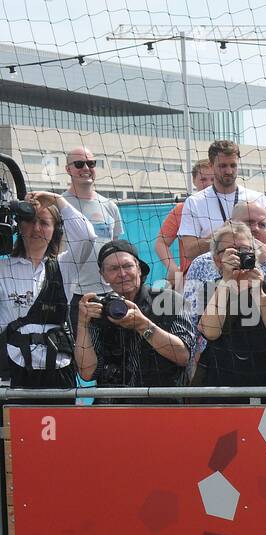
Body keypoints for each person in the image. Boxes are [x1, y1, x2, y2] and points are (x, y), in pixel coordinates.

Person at [0, 192, 94, 387]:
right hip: (12, 368)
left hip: (58, 367)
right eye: (30, 221)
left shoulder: (65, 265)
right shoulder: (3, 268)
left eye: (44, 222)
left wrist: (57, 200)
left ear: (55, 230)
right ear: (20, 225)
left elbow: (86, 236)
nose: (36, 228)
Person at [73, 240, 194, 389]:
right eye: (113, 269)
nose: (122, 274)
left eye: (127, 266)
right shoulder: (99, 310)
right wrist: (82, 324)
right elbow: (87, 373)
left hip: (162, 403)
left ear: (139, 269)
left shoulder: (167, 300)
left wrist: (142, 325)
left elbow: (183, 356)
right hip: (113, 405)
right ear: (103, 275)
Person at [193, 221, 266, 387]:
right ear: (217, 260)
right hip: (223, 387)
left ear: (254, 253)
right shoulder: (210, 289)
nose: (238, 256)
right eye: (231, 251)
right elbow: (210, 332)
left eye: (244, 250)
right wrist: (226, 281)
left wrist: (259, 294)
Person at [178, 140, 266, 265]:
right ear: (211, 166)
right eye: (223, 166)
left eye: (233, 165)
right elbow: (189, 251)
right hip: (213, 273)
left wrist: (251, 229)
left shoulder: (258, 199)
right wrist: (223, 232)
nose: (229, 171)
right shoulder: (195, 202)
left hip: (253, 270)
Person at [61, 146, 124, 299]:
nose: (86, 168)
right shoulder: (59, 206)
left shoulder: (109, 206)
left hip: (108, 291)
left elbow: (115, 247)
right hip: (71, 292)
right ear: (68, 169)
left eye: (91, 163)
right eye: (79, 164)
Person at [154, 160, 215, 288]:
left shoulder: (229, 205)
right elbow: (161, 243)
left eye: (213, 179)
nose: (208, 184)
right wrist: (174, 269)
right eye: (203, 179)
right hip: (192, 279)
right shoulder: (182, 209)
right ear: (194, 181)